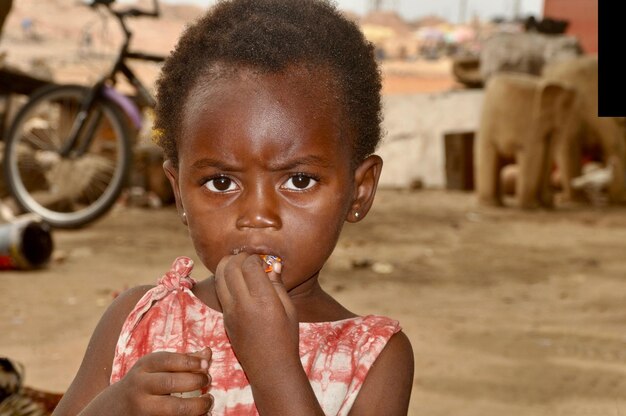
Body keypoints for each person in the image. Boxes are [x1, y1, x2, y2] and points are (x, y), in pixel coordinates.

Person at [52, 0, 414, 414]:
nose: (257, 215)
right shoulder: (135, 320)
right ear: (180, 193)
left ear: (359, 190)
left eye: (299, 180)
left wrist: (274, 367)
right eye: (221, 182)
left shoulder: (373, 358)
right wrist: (111, 408)